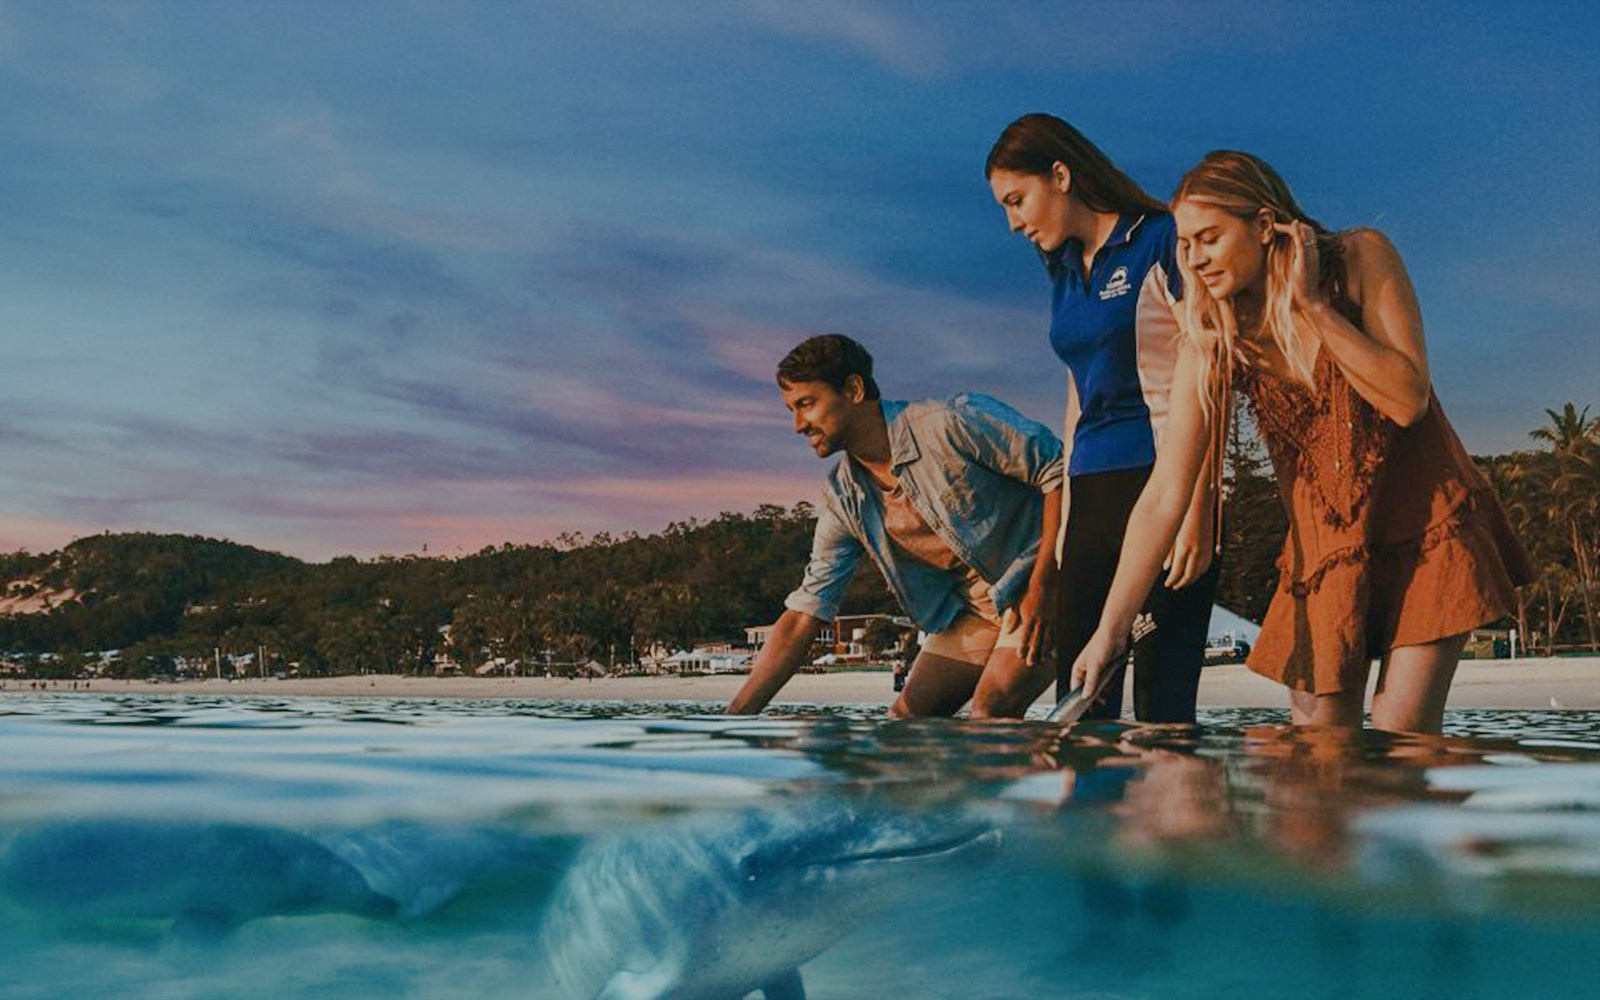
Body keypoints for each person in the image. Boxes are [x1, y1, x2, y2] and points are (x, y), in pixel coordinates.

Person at [1069, 150, 1531, 734]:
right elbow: (1166, 492)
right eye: (1185, 244)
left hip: (1425, 530)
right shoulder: (1211, 340)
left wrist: (1313, 307)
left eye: (1209, 237)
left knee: (1403, 731)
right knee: (1317, 759)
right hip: (1324, 556)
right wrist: (1110, 630)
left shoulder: (1361, 258)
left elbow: (1407, 398)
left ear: (1264, 226)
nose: (1194, 258)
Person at [985, 113, 1220, 723]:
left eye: (1018, 200)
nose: (1012, 222)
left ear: (1059, 175)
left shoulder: (1162, 239)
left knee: (1162, 706)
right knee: (1083, 698)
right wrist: (1065, 526)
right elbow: (1076, 390)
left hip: (1164, 481)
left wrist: (1199, 505)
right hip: (1091, 492)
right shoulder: (1061, 270)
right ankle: (1090, 819)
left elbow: (1210, 369)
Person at [725, 334, 1063, 718]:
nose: (798, 425)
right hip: (975, 613)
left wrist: (1045, 583)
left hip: (1046, 582)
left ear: (853, 389)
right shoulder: (843, 498)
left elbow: (1060, 471)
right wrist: (734, 720)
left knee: (990, 710)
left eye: (806, 404)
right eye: (791, 409)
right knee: (904, 722)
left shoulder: (948, 424)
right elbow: (806, 612)